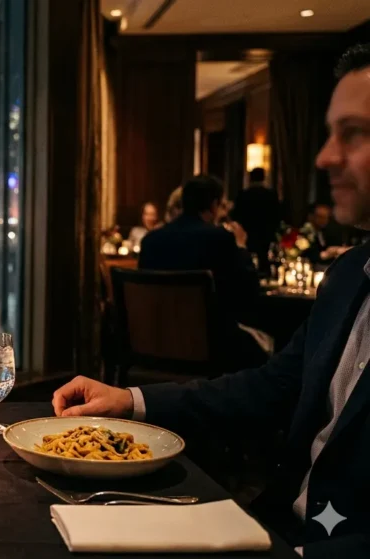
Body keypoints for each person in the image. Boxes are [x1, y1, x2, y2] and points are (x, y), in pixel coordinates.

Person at [51, 44, 370, 557]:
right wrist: (129, 400)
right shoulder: (350, 276)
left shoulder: (158, 241)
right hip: (273, 525)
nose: (324, 157)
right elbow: (270, 381)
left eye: (353, 133)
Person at [139, 175, 261, 330]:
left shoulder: (150, 240)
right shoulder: (220, 238)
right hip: (209, 337)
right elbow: (248, 291)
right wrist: (241, 246)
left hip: (156, 334)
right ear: (214, 205)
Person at [232, 167, 282, 271]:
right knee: (265, 261)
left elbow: (236, 216)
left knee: (248, 261)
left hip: (248, 233)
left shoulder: (243, 195)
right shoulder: (271, 194)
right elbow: (277, 215)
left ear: (250, 178)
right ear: (264, 178)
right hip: (266, 234)